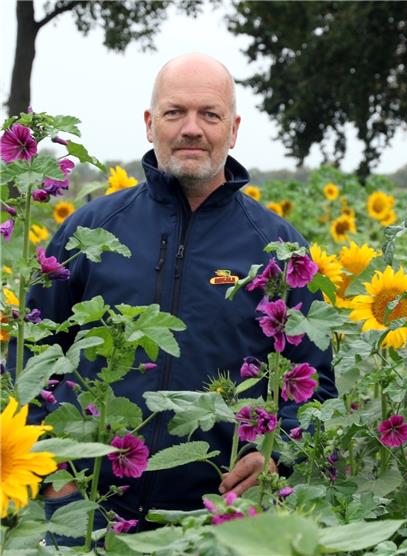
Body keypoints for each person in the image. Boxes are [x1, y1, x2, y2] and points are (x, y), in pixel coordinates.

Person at [27, 53, 336, 532]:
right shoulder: (90, 230)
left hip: (217, 518)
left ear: (233, 130)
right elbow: (32, 355)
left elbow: (315, 384)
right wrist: (52, 477)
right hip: (87, 511)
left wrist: (280, 457)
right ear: (151, 124)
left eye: (209, 115)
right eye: (175, 113)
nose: (192, 128)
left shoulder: (277, 247)